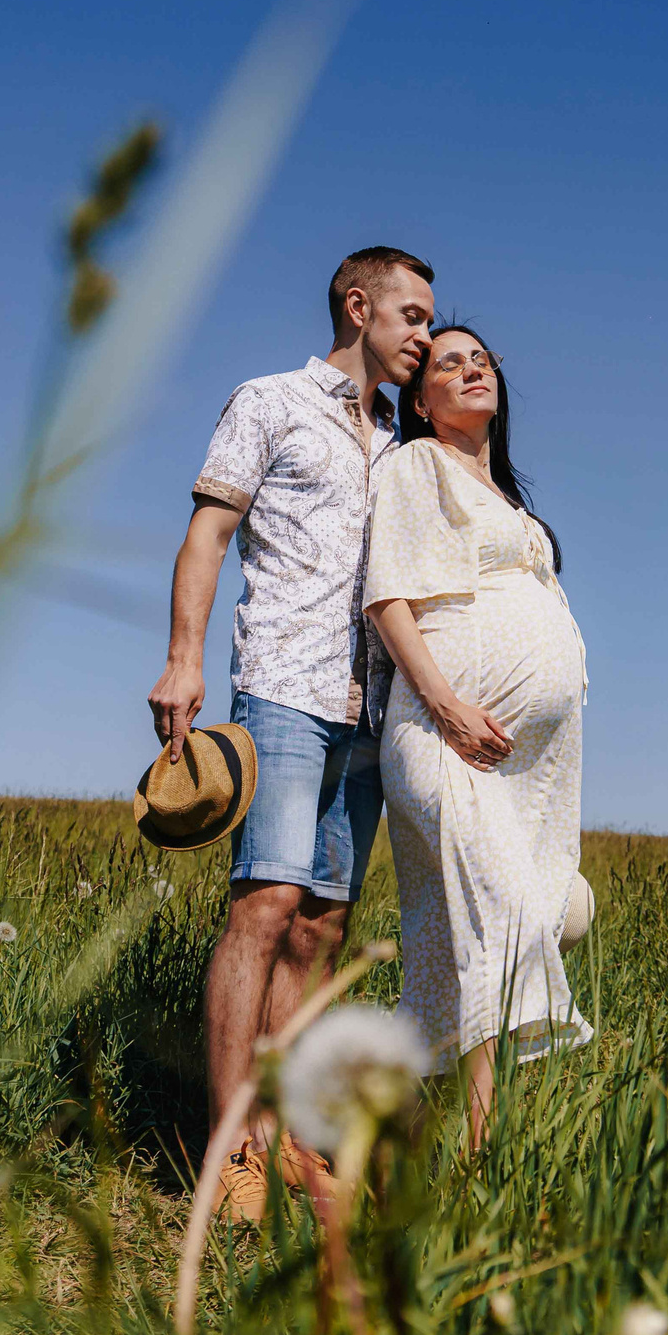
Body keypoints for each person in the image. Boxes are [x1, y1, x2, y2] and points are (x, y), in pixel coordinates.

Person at [148, 245, 436, 1222]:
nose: (424, 337)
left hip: (371, 709)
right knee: (263, 907)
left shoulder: (403, 447)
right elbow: (207, 535)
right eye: (411, 317)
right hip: (279, 686)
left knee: (321, 928)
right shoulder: (267, 401)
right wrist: (184, 659)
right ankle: (228, 1148)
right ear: (359, 307)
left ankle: (288, 1140)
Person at [363, 324, 592, 1149]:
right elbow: (389, 597)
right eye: (448, 362)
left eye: (481, 359)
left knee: (444, 939)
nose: (469, 369)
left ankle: (402, 1138)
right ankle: (482, 1152)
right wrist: (451, 706)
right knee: (505, 914)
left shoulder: (510, 502)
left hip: (523, 764)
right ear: (420, 402)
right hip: (441, 733)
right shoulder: (413, 466)